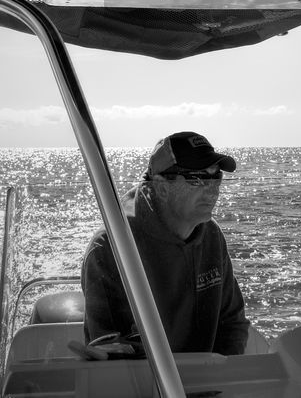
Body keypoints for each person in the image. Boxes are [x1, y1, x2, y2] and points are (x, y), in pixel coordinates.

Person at [82, 131, 250, 356]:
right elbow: (112, 352)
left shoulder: (211, 235)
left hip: (208, 384)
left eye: (215, 176)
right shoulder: (110, 247)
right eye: (197, 177)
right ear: (161, 186)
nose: (212, 188)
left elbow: (232, 323)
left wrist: (218, 382)